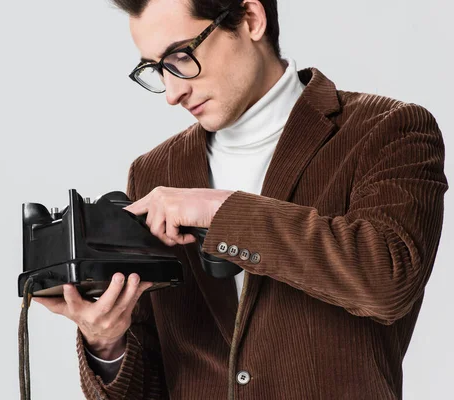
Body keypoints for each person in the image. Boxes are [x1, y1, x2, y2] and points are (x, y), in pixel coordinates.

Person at [33, 0, 449, 398]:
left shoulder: (390, 130)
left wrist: (220, 211)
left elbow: (388, 281)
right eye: (156, 69)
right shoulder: (154, 172)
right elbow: (154, 385)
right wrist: (106, 343)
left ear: (250, 19)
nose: (173, 93)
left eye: (180, 57)